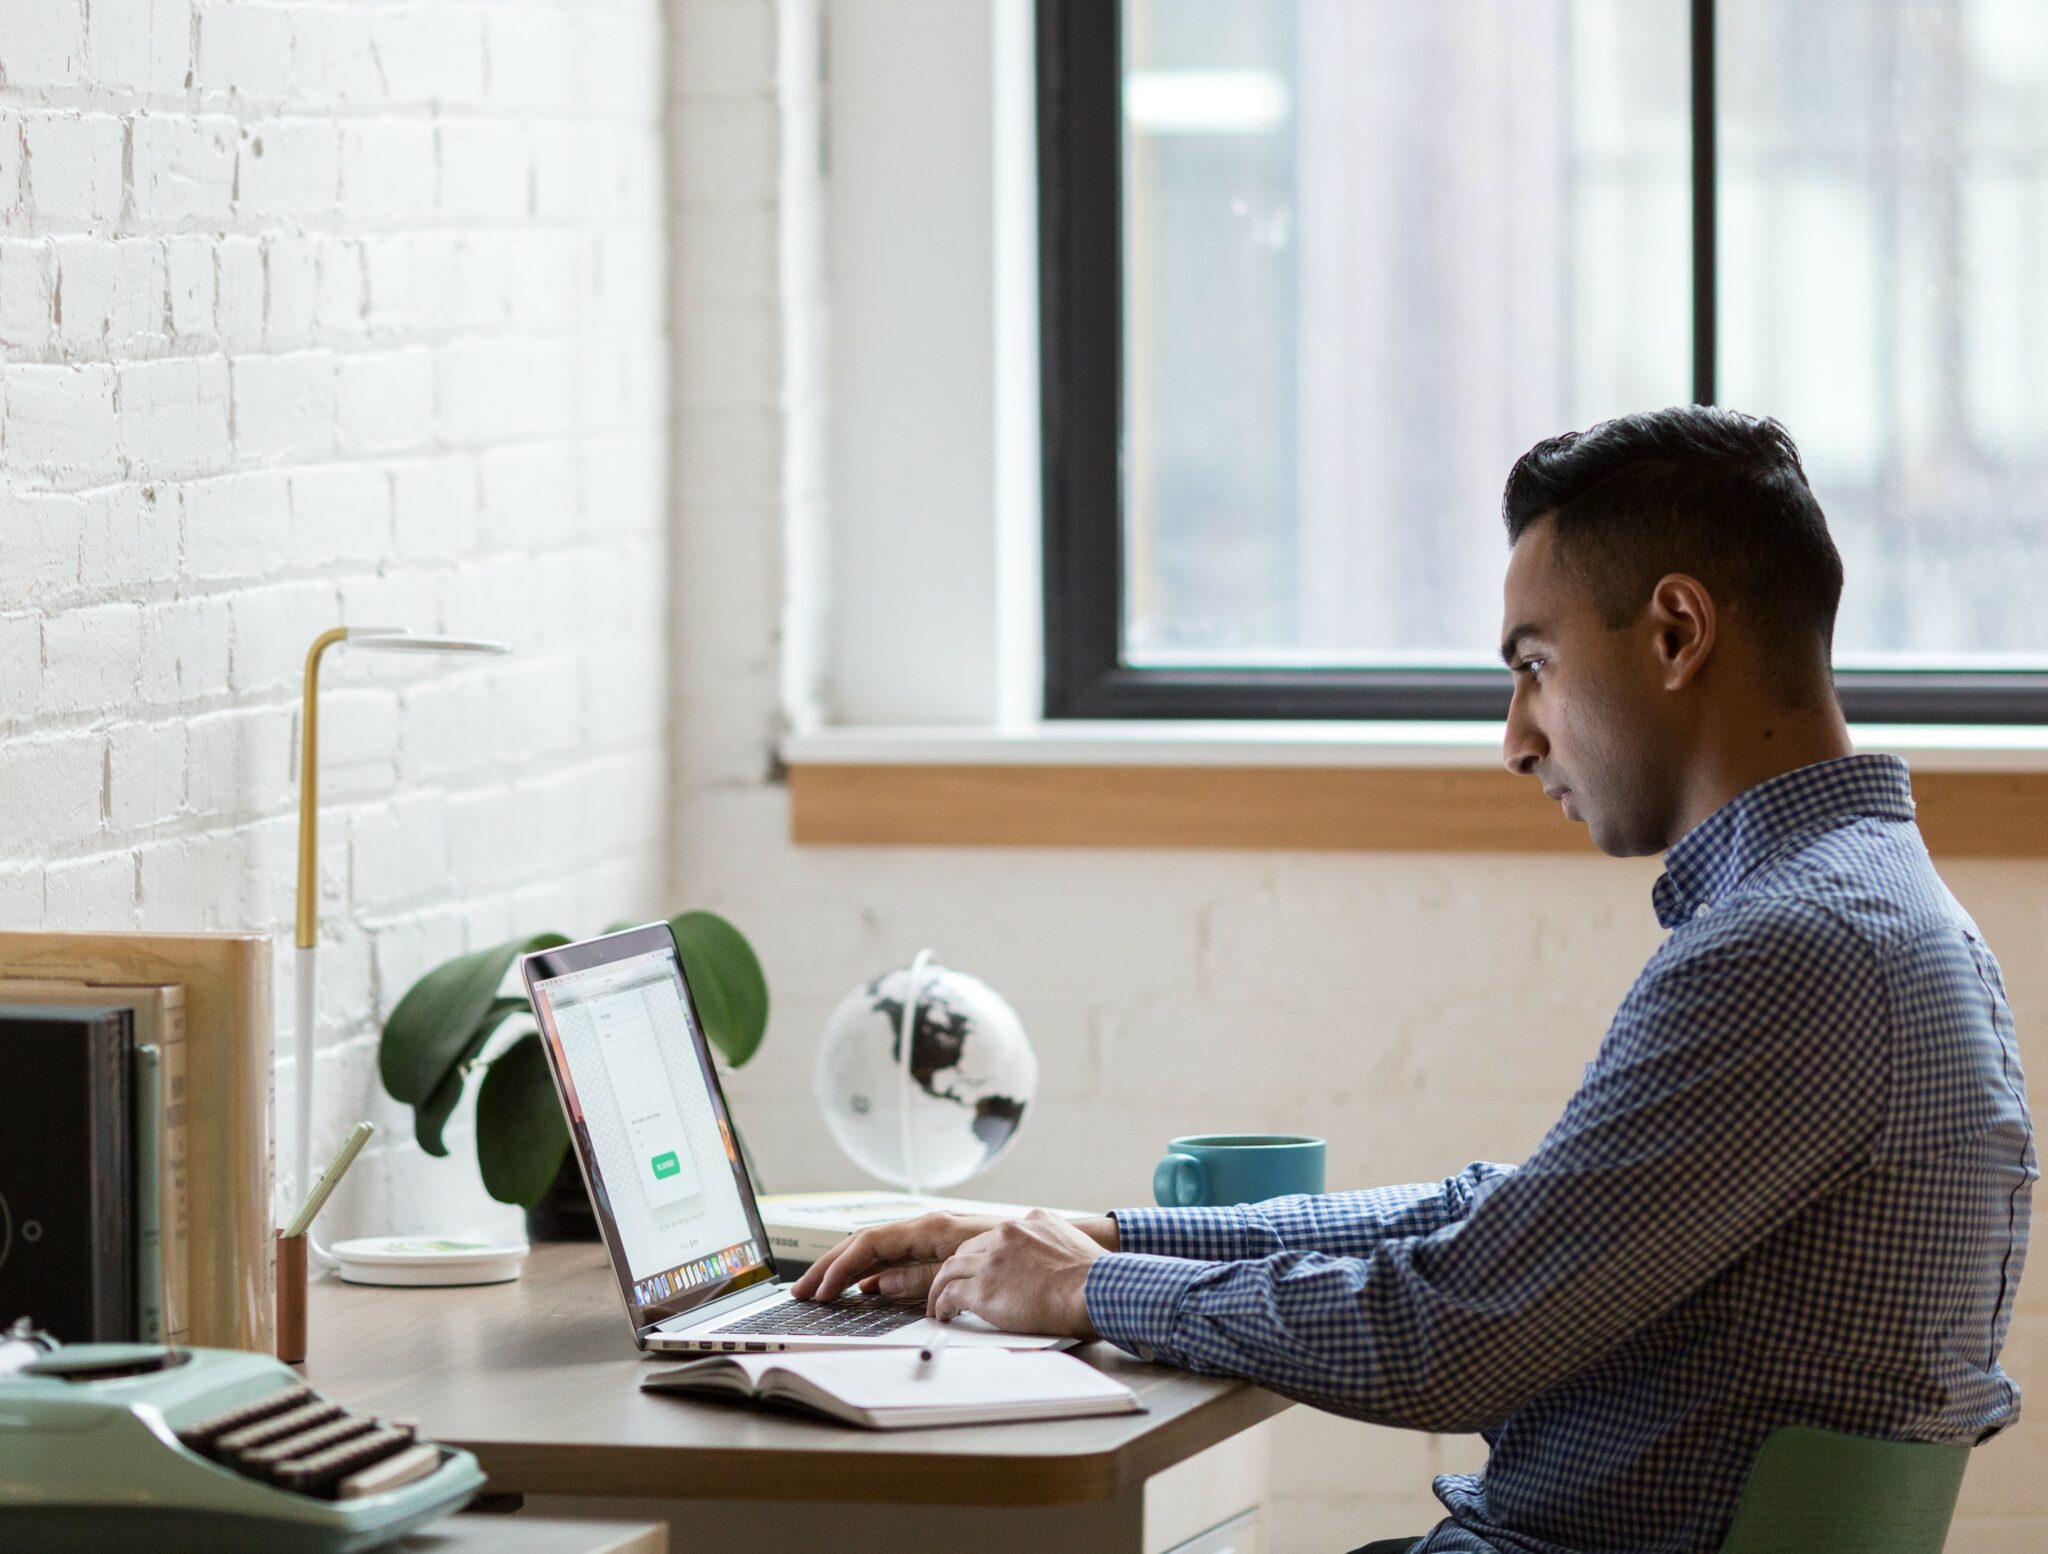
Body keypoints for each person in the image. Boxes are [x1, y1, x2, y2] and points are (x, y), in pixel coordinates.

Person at [793, 407, 2037, 1554]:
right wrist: (1103, 1235)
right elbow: (1501, 1220)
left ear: (1674, 633)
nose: (1515, 737)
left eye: (1533, 663)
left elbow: (1455, 1334)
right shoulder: (1870, 919)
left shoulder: (1796, 952)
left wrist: (1085, 1290)